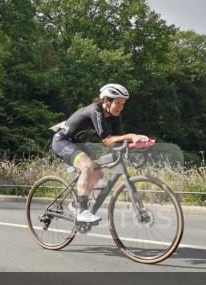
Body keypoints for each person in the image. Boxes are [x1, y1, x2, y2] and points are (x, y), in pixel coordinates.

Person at [51, 84, 151, 223]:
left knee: (98, 173)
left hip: (79, 145)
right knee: (87, 166)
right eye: (118, 103)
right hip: (63, 141)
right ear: (106, 101)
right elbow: (107, 140)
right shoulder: (95, 110)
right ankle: (82, 211)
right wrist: (131, 135)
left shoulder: (114, 115)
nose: (121, 107)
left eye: (123, 104)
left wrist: (136, 143)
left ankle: (75, 204)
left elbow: (118, 140)